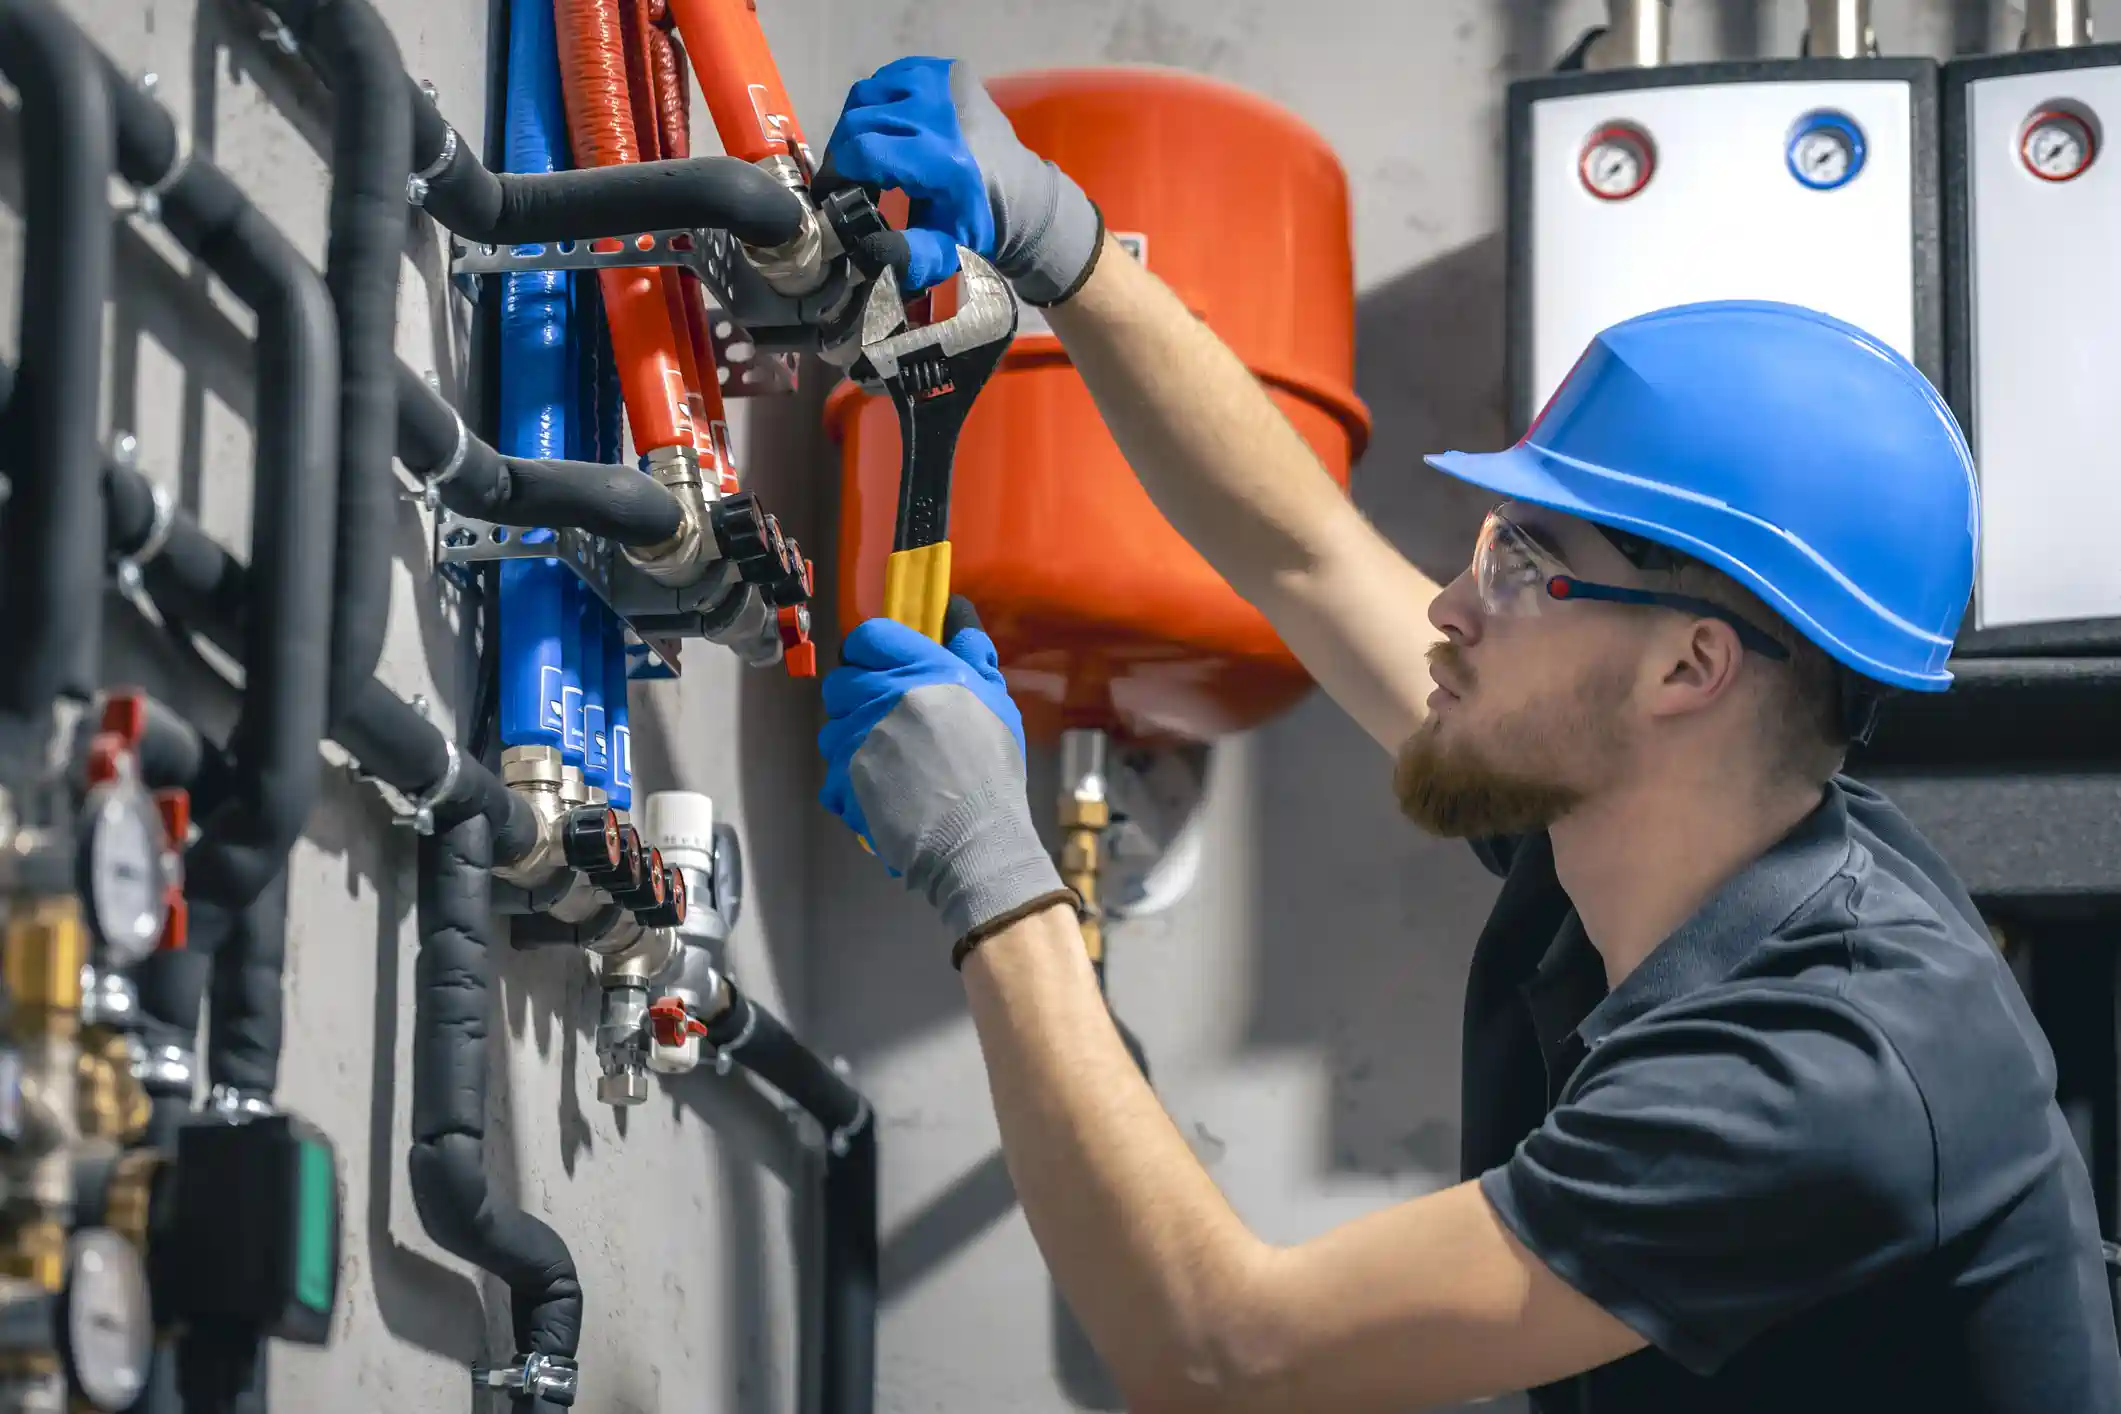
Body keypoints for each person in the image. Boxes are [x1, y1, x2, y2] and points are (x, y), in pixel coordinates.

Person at [811, 56, 2121, 1414]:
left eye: (1522, 564)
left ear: (1690, 664)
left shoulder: (1827, 1062)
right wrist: (1064, 243)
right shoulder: (1648, 816)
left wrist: (990, 868)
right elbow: (1305, 550)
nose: (1448, 601)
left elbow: (1219, 1355)